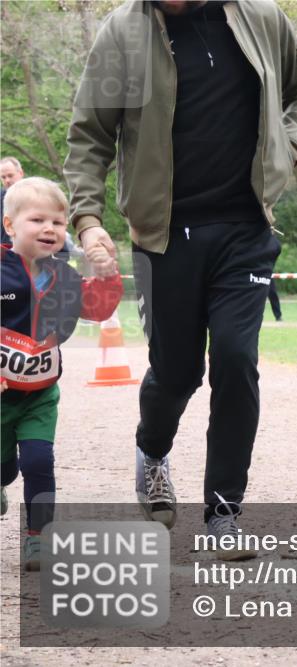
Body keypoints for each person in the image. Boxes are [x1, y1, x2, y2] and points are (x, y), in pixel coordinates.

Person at [63, 0, 297, 554]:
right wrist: (87, 222)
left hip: (244, 229)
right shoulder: (122, 32)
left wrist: (288, 147)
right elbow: (89, 136)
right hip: (162, 236)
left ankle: (224, 510)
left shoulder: (262, 18)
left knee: (235, 356)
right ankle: (152, 451)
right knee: (175, 372)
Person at [1, 178, 121, 570]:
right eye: (37, 219)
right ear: (10, 226)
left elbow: (98, 309)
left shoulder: (65, 277)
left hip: (39, 396)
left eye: (58, 221)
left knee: (39, 461)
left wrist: (105, 274)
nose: (50, 228)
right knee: (6, 467)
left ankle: (38, 537)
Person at [1, 157, 26, 245]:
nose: (7, 180)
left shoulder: (36, 195)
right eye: (3, 177)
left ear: (21, 173)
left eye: (10, 175)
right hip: (5, 252)